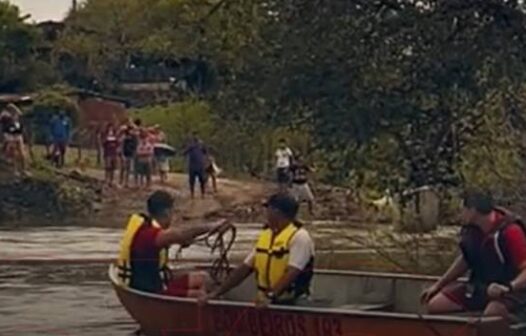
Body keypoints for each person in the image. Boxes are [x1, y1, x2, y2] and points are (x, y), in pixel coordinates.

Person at [421, 191, 526, 320]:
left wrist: (509, 287)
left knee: (492, 314)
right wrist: (439, 285)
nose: (460, 214)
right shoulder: (471, 231)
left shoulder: (510, 232)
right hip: (480, 286)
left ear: (473, 211)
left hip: (511, 291)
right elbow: (466, 259)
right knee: (436, 305)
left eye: (463, 210)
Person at [200, 193, 315, 306]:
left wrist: (270, 295)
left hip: (291, 301)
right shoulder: (267, 236)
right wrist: (217, 292)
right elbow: (244, 269)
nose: (266, 213)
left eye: (268, 208)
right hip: (266, 300)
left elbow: (292, 272)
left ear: (276, 212)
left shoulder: (300, 237)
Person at [116, 190, 233, 297]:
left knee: (204, 278)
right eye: (173, 212)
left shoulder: (149, 229)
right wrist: (212, 226)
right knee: (200, 294)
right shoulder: (149, 235)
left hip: (157, 281)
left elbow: (177, 238)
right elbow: (180, 234)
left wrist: (183, 241)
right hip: (153, 291)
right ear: (167, 212)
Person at [3, 104, 27, 176]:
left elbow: (19, 123)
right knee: (13, 154)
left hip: (17, 135)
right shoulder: (5, 116)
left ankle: (23, 170)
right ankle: (15, 170)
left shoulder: (16, 116)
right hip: (10, 136)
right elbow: (6, 127)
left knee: (22, 154)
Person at [183, 133, 207, 199]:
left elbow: (205, 152)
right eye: (195, 136)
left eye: (197, 136)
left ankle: (203, 193)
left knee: (202, 180)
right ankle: (192, 194)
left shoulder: (201, 145)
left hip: (200, 165)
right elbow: (184, 152)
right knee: (192, 181)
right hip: (193, 165)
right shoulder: (191, 145)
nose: (196, 137)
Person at [119, 123, 138, 187]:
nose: (132, 131)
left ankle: (126, 182)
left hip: (131, 154)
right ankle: (121, 181)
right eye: (130, 130)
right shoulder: (124, 137)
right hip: (125, 153)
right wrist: (122, 155)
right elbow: (122, 146)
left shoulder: (134, 138)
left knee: (128, 168)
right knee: (123, 168)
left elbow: (136, 146)